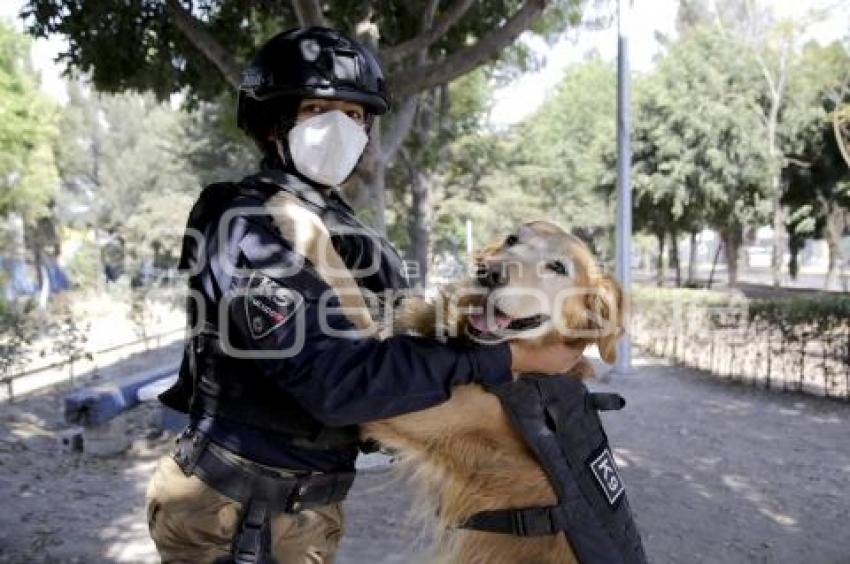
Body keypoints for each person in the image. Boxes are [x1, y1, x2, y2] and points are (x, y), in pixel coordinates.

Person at [145, 26, 584, 564]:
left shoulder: (354, 238)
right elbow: (340, 386)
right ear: (272, 123)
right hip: (231, 513)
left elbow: (402, 352)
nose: (340, 127)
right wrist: (503, 356)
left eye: (354, 115)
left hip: (311, 512)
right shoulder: (245, 224)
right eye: (317, 109)